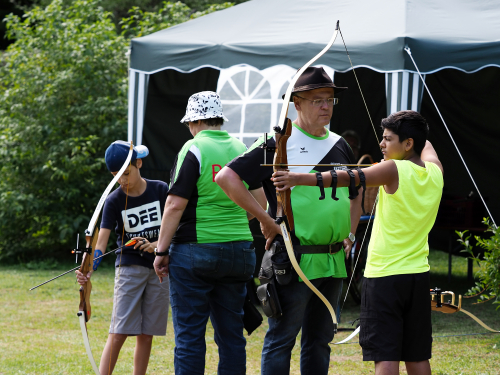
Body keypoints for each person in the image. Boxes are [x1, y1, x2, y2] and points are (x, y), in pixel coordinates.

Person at [272, 110, 443, 375]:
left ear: (408, 143)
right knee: (417, 355)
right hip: (418, 276)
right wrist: (410, 130)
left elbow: (348, 177)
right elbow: (427, 146)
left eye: (388, 139)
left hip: (385, 277)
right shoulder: (435, 171)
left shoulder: (393, 169)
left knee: (385, 356)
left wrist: (298, 178)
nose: (382, 145)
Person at [216, 67, 363, 375]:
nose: (326, 107)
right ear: (296, 103)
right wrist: (265, 219)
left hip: (334, 259)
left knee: (319, 341)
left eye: (330, 100)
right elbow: (226, 177)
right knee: (282, 340)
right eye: (317, 100)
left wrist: (350, 232)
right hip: (293, 258)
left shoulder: (340, 144)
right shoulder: (277, 141)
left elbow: (355, 192)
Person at [153, 91, 267, 375]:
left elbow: (175, 203)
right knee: (231, 337)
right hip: (240, 251)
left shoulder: (193, 148)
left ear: (194, 122)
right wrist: (237, 222)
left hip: (195, 252)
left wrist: (161, 251)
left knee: (190, 337)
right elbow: (260, 203)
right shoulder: (241, 147)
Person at [76, 141, 170, 375]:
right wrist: (89, 266)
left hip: (159, 270)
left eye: (126, 173)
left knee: (146, 334)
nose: (122, 180)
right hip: (129, 269)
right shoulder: (114, 200)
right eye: (115, 176)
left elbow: (174, 228)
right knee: (118, 332)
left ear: (139, 163)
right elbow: (101, 241)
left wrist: (156, 245)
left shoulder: (160, 190)